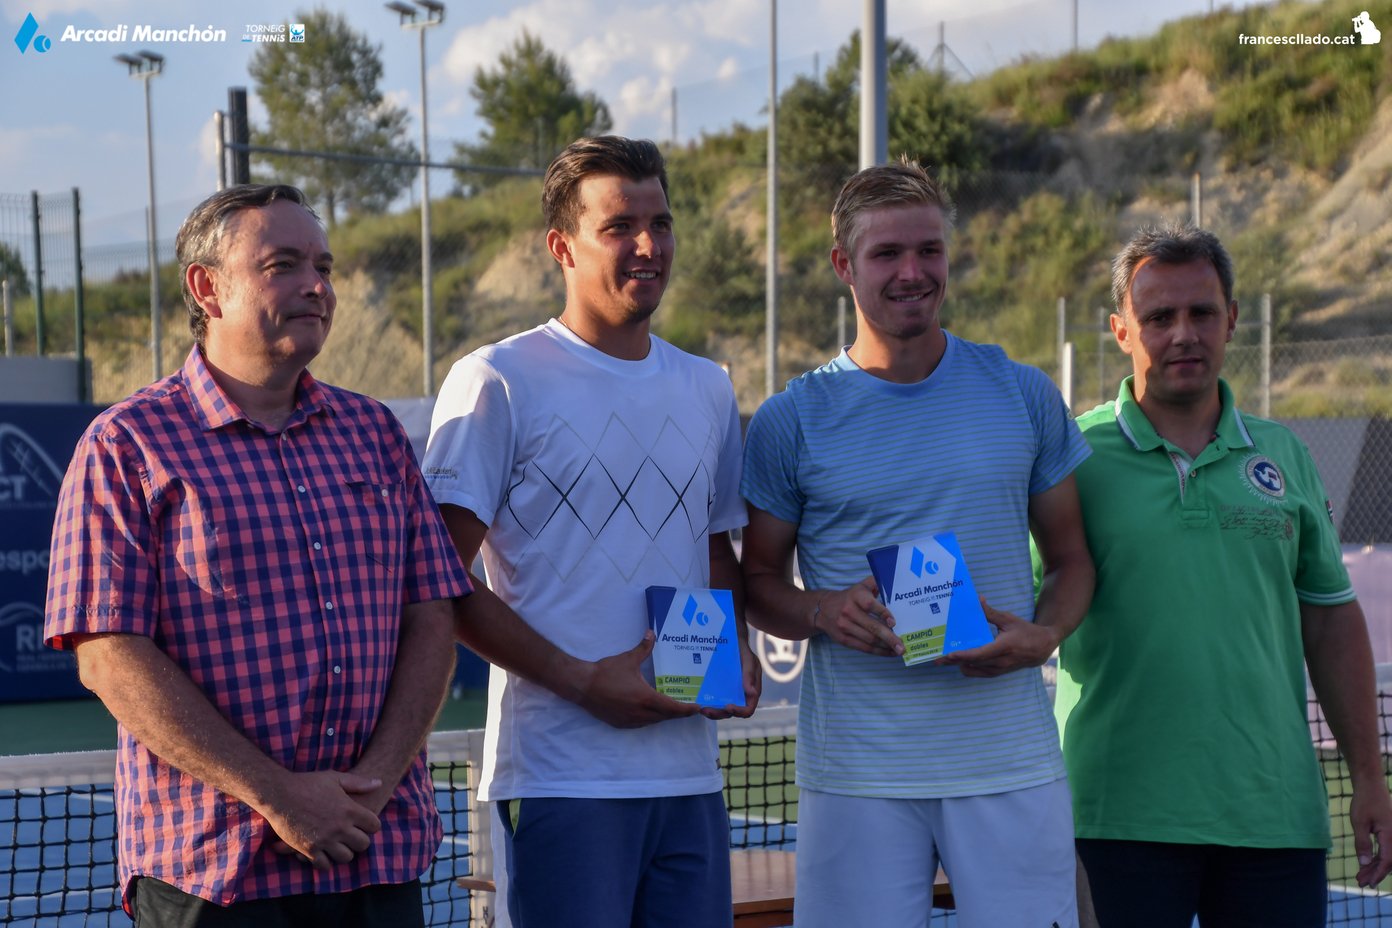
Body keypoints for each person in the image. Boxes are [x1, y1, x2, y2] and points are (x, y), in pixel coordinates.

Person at [44, 184, 472, 926]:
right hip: (215, 875)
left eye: (323, 267)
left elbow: (432, 614)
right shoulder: (125, 445)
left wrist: (370, 786)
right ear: (206, 288)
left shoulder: (374, 433)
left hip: (374, 854)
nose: (317, 285)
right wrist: (279, 795)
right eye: (283, 265)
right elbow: (108, 656)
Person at [739, 158, 1095, 928]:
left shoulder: (1023, 392)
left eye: (929, 250)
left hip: (1009, 763)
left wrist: (1045, 635)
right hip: (857, 775)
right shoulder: (791, 418)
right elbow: (757, 583)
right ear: (844, 265)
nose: (913, 272)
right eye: (887, 253)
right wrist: (825, 611)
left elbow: (1072, 560)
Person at [422, 135, 760, 928]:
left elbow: (713, 547)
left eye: (661, 223)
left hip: (691, 780)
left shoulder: (708, 387)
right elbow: (437, 577)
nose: (648, 246)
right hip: (559, 781)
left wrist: (734, 647)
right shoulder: (496, 379)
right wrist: (580, 680)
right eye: (619, 227)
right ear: (562, 247)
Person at [1055, 224, 1392, 926]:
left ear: (1232, 319)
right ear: (1121, 330)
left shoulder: (1285, 454)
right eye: (1159, 317)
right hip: (1115, 821)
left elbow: (1331, 622)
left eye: (1202, 313)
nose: (1184, 334)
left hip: (1273, 820)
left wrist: (1369, 777)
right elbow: (1020, 604)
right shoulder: (1071, 455)